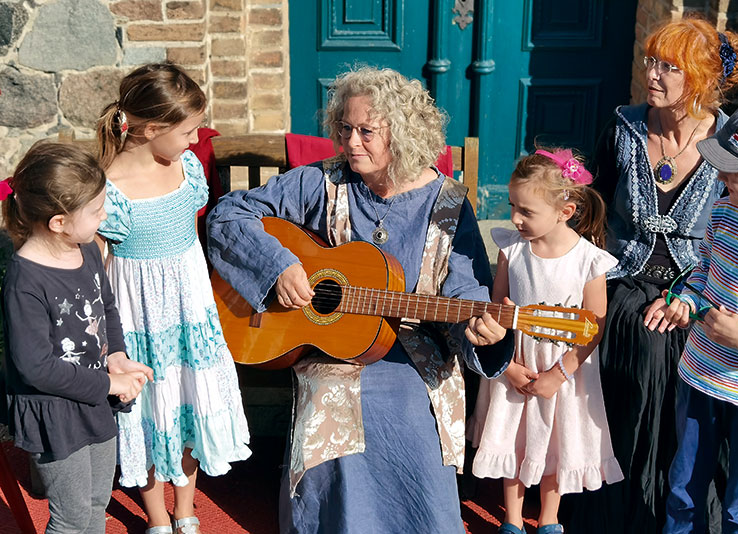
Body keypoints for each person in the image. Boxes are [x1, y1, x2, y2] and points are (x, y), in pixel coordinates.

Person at [206, 66, 514, 533]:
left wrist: (484, 335)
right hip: (329, 349)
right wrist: (277, 267)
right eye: (345, 129)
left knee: (407, 414)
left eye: (367, 132)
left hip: (415, 355)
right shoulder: (323, 182)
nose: (351, 143)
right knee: (336, 402)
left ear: (404, 134)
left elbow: (466, 290)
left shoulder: (448, 204)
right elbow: (229, 215)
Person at [565, 17, 738, 534]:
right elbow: (592, 214)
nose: (654, 74)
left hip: (705, 287)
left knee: (679, 346)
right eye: (652, 61)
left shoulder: (732, 140)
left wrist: (690, 296)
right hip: (623, 278)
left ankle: (675, 508)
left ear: (701, 78)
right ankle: (619, 510)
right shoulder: (622, 126)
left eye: (671, 67)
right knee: (633, 338)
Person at [95, 63, 251, 534]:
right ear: (149, 129)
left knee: (188, 402)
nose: (196, 139)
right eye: (188, 130)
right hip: (138, 315)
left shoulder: (185, 166)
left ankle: (185, 510)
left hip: (190, 308)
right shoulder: (108, 188)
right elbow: (97, 272)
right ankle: (158, 518)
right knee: (146, 412)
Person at [643, 102, 738, 534]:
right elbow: (702, 273)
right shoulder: (724, 212)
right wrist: (687, 302)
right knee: (683, 490)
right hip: (700, 378)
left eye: (732, 174)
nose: (719, 179)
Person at [468, 150, 623, 534]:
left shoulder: (589, 260)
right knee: (513, 437)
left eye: (527, 211)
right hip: (517, 362)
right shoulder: (512, 251)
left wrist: (560, 373)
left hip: (564, 370)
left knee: (557, 439)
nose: (515, 218)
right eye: (512, 207)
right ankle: (512, 519)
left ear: (564, 212)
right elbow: (498, 309)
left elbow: (594, 326)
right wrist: (509, 366)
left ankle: (550, 518)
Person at [1, 141, 152, 533]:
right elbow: (35, 367)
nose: (104, 216)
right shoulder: (25, 281)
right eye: (97, 211)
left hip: (94, 400)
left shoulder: (84, 249)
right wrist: (107, 381)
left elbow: (107, 307)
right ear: (58, 222)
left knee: (95, 504)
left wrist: (116, 356)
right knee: (70, 518)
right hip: (55, 413)